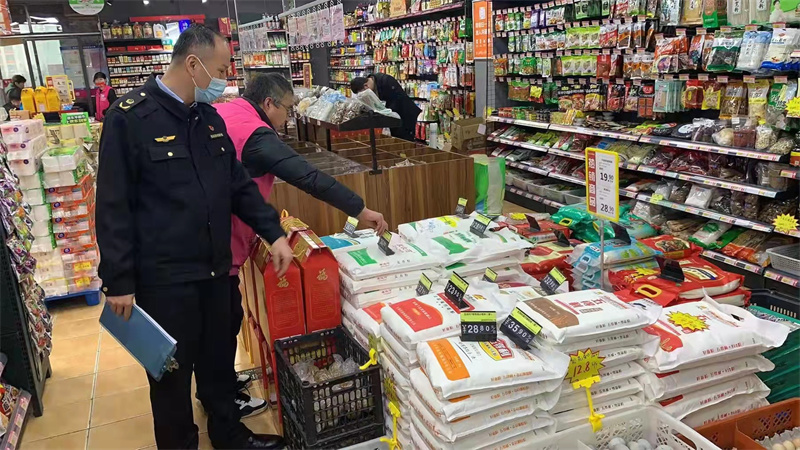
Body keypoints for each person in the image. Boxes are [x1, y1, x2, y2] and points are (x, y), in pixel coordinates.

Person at [96, 24, 290, 450]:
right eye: (220, 70)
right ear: (192, 64)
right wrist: (118, 279)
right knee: (171, 378)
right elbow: (112, 203)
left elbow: (238, 186)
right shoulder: (129, 118)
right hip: (166, 281)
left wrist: (273, 232)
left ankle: (230, 435)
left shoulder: (208, 118)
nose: (224, 79)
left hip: (216, 271)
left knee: (218, 363)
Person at [213, 73, 388, 408]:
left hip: (210, 234)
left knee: (221, 319)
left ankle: (220, 384)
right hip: (221, 243)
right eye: (287, 109)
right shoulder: (256, 135)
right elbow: (308, 177)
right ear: (268, 104)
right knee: (223, 320)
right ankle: (222, 401)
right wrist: (360, 209)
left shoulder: (227, 111)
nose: (288, 117)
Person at [350, 74, 421, 141]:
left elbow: (398, 101)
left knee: (405, 141)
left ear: (366, 86)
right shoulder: (373, 83)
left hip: (405, 116)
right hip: (393, 120)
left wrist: (384, 112)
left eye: (363, 93)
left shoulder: (386, 81)